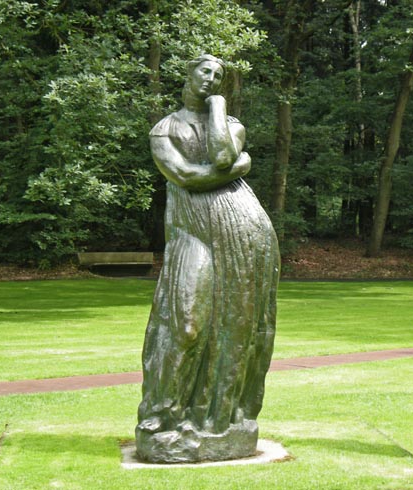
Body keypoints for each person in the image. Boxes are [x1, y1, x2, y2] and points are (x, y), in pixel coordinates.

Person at [135, 54, 280, 463]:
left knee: (237, 324)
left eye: (218, 76)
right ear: (188, 73)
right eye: (205, 71)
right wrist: (238, 168)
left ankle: (219, 417)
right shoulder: (164, 129)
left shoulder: (231, 124)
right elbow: (188, 176)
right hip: (192, 231)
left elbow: (218, 155)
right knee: (186, 322)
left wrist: (219, 110)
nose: (211, 79)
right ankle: (162, 415)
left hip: (242, 231)